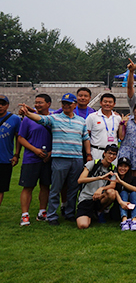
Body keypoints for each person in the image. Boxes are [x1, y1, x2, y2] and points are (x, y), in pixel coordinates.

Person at [19, 93, 91, 225]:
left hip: (77, 158)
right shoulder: (55, 118)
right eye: (64, 103)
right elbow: (40, 118)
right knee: (56, 188)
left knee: (73, 188)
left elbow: (86, 138)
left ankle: (69, 213)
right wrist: (28, 113)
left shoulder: (81, 121)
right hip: (60, 158)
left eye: (69, 103)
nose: (66, 106)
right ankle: (52, 215)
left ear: (74, 105)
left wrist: (88, 153)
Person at [17, 94, 52, 226]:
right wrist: (35, 150)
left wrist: (50, 153)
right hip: (31, 158)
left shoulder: (53, 117)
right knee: (28, 186)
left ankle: (42, 212)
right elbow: (21, 138)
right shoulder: (27, 119)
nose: (37, 105)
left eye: (40, 102)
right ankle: (25, 215)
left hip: (47, 159)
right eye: (36, 102)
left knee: (45, 186)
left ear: (48, 104)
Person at [75, 145, 119, 229]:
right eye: (109, 153)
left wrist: (101, 189)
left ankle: (99, 212)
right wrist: (99, 178)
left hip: (99, 197)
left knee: (112, 193)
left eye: (114, 154)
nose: (111, 156)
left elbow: (112, 185)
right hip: (86, 198)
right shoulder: (93, 164)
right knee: (83, 225)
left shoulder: (113, 168)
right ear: (104, 153)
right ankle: (89, 214)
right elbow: (80, 180)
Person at [0, 94, 22, 212]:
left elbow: (18, 137)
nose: (0, 106)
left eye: (2, 104)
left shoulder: (15, 119)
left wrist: (16, 154)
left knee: (1, 188)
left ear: (7, 105)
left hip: (4, 158)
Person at [86, 94, 122, 161]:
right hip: (97, 151)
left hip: (112, 153)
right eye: (105, 102)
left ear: (114, 104)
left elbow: (119, 136)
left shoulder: (117, 118)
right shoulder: (92, 117)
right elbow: (86, 136)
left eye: (110, 102)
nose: (107, 104)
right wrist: (88, 154)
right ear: (100, 103)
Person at [117, 101, 136, 181]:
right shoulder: (128, 120)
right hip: (125, 150)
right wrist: (122, 124)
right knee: (123, 175)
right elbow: (121, 137)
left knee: (135, 178)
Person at [113, 157, 136, 231]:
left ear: (129, 168)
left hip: (133, 206)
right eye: (120, 166)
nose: (123, 168)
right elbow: (114, 191)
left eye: (125, 166)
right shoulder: (113, 178)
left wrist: (121, 182)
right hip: (119, 207)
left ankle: (134, 220)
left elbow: (134, 189)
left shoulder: (133, 178)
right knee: (123, 193)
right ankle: (124, 220)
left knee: (133, 193)